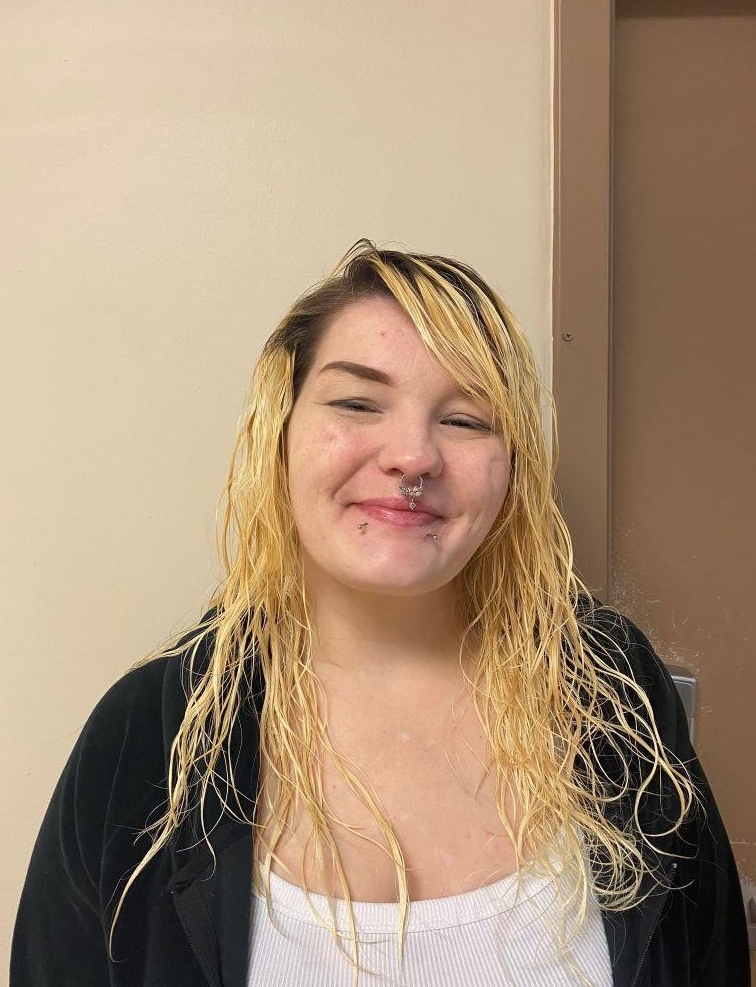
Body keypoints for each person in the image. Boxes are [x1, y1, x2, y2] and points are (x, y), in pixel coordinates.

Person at [11, 240, 749, 987]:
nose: (413, 456)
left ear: (512, 465)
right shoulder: (148, 735)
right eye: (357, 403)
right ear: (279, 434)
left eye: (466, 419)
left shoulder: (612, 687)